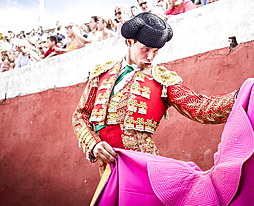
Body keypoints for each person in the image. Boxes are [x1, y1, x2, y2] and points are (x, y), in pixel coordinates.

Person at [71, 13, 236, 174]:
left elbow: (200, 108)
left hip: (143, 167)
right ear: (129, 42)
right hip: (108, 169)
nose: (150, 57)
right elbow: (81, 115)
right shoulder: (101, 74)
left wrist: (240, 98)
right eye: (146, 49)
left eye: (155, 51)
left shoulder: (162, 79)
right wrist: (93, 144)